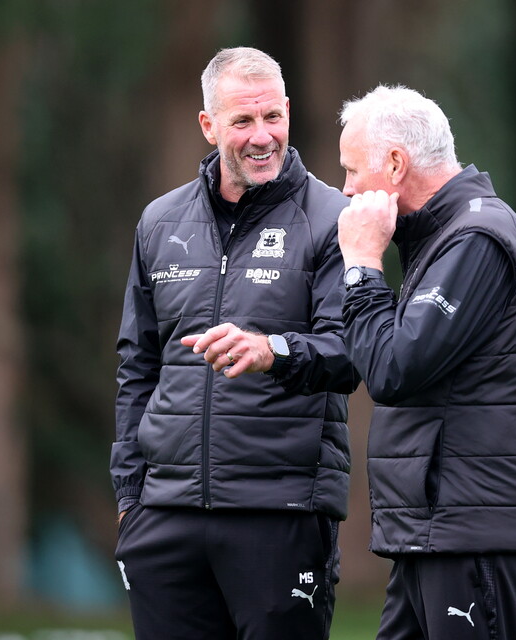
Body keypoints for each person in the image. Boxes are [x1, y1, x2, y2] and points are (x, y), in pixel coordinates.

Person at [112, 47, 357, 640]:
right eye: (243, 121)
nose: (262, 136)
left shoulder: (334, 219)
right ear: (209, 125)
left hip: (280, 514)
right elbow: (136, 368)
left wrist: (273, 350)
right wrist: (129, 498)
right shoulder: (159, 222)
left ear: (290, 114)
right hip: (164, 517)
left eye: (272, 117)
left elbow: (352, 351)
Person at [336, 84, 516, 640]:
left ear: (394, 164)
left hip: (475, 528)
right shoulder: (443, 238)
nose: (345, 190)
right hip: (437, 530)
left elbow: (393, 368)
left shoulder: (476, 237)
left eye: (350, 170)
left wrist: (363, 265)